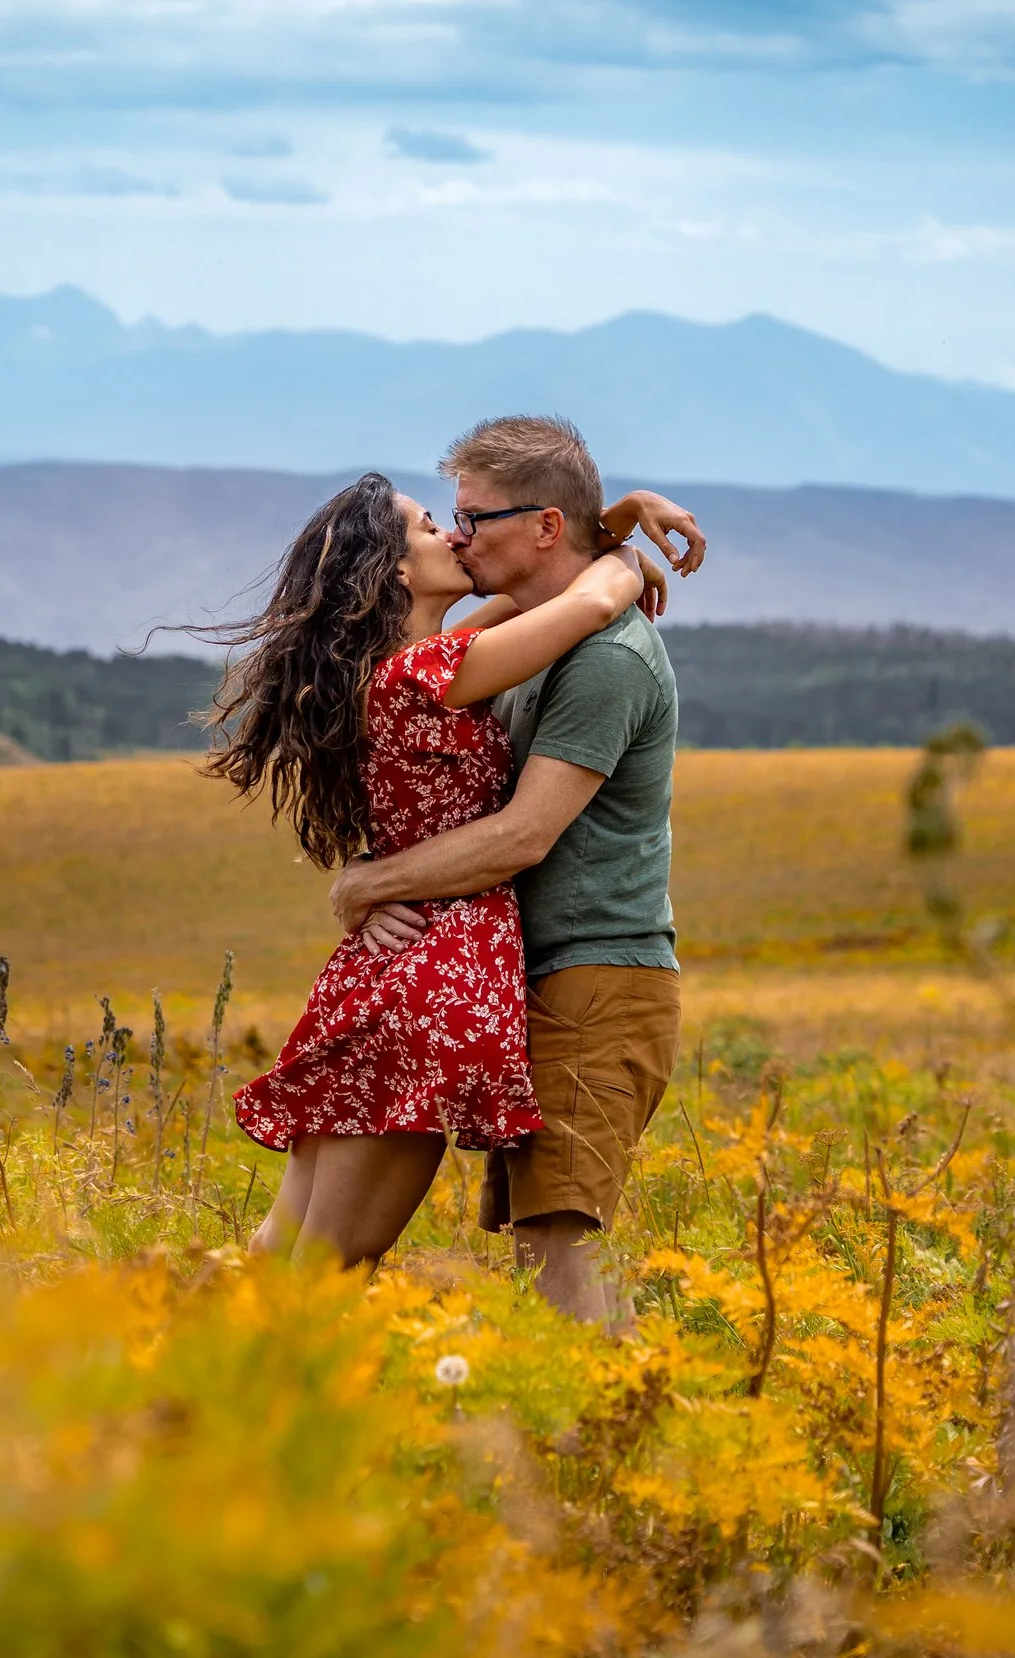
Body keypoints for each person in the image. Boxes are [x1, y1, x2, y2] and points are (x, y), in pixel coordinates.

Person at [203, 468, 698, 1270]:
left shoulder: (419, 666)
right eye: (433, 526)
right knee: (328, 1262)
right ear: (397, 571)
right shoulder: (423, 677)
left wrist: (620, 521)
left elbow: (538, 593)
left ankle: (165, 1371)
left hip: (388, 968)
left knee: (285, 1250)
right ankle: (228, 1387)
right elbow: (584, 605)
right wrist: (623, 555)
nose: (456, 535)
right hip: (433, 975)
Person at [329, 415, 700, 1328]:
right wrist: (615, 532)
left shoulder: (607, 657)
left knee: (559, 1250)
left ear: (542, 527)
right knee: (540, 1255)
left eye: (475, 517)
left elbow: (523, 835)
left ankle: (613, 1444)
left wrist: (369, 886)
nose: (458, 535)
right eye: (446, 519)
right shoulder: (532, 633)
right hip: (537, 978)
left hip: (595, 977)